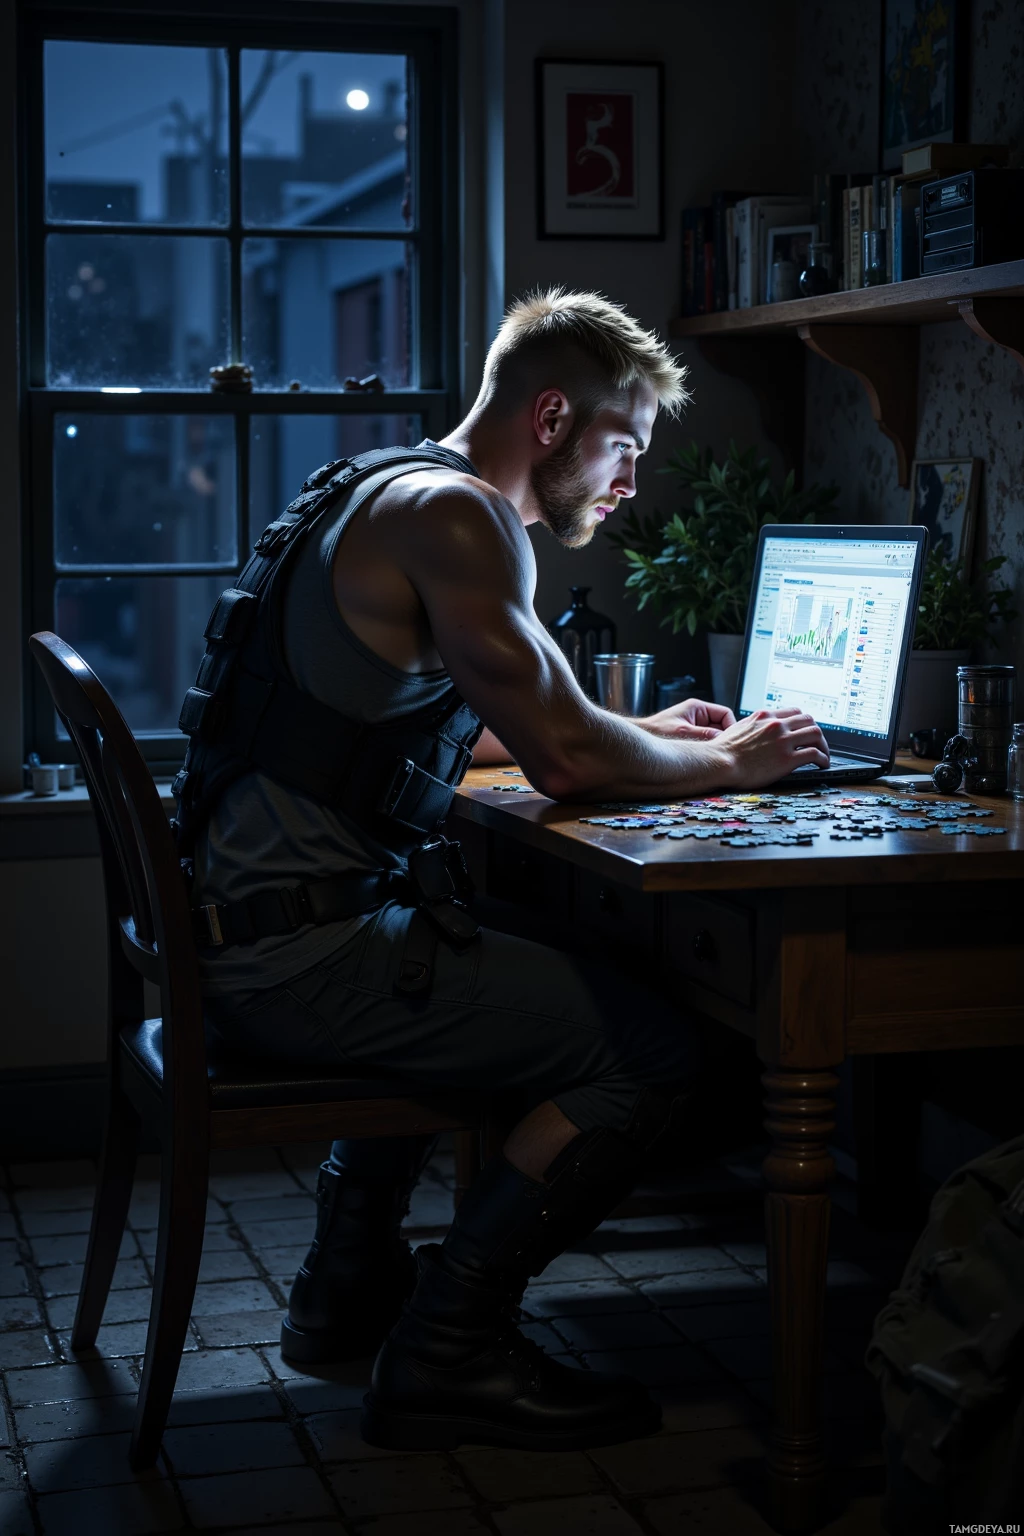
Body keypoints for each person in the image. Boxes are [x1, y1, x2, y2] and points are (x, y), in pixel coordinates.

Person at [186, 288, 829, 1453]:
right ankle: (449, 1347)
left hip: (256, 926)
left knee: (500, 939)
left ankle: (348, 1286)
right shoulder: (463, 518)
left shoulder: (383, 484)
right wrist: (735, 758)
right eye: (622, 444)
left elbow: (420, 725)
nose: (630, 480)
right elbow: (568, 758)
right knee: (650, 1052)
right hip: (299, 957)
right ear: (551, 419)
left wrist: (668, 745)